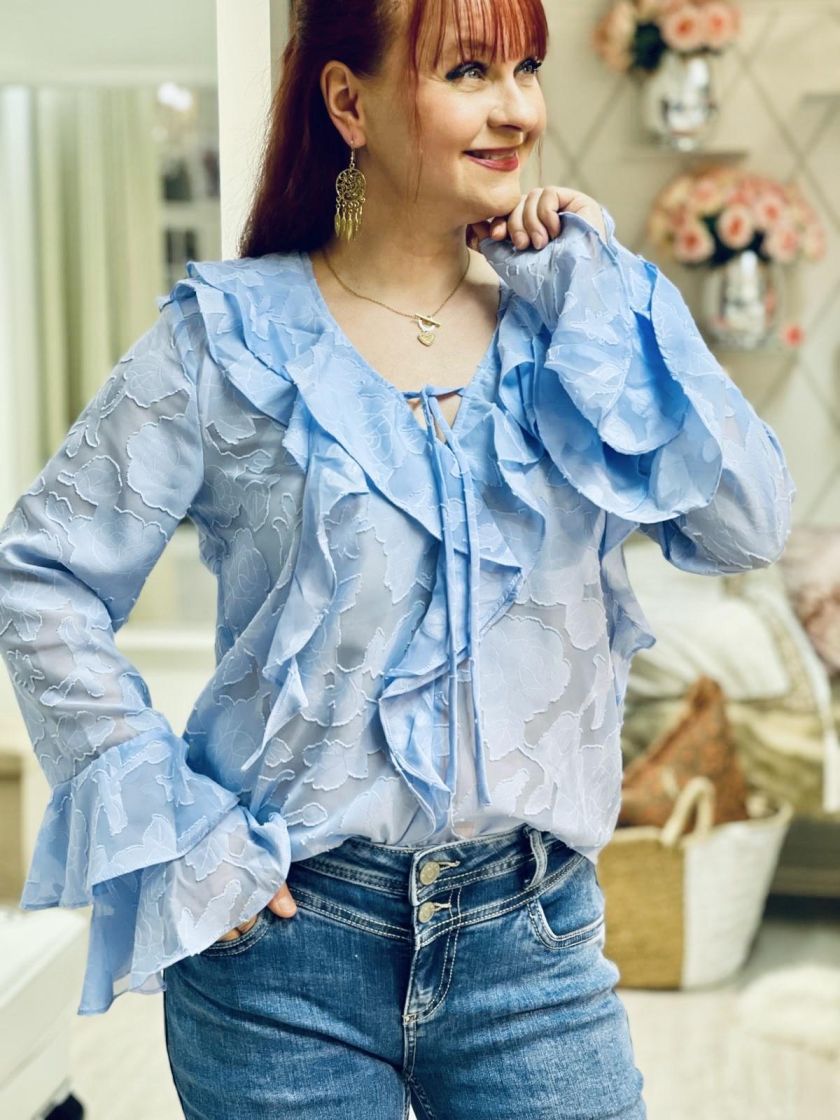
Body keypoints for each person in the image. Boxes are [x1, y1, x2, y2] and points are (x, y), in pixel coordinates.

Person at [0, 0, 795, 1116]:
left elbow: (745, 524)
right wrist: (182, 836)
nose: (517, 108)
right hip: (281, 961)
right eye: (469, 72)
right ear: (348, 102)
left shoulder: (575, 324)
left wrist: (599, 294)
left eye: (526, 67)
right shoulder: (224, 339)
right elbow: (43, 577)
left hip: (533, 943)